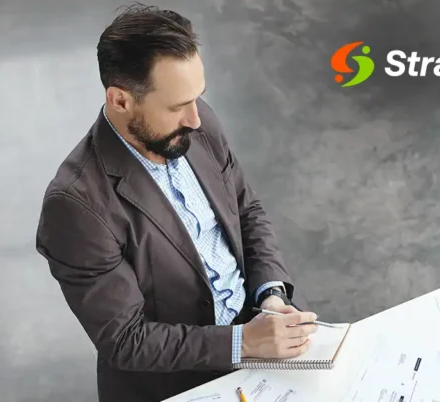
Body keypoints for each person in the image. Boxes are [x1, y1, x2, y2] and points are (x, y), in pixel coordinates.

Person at [35, 4, 319, 401]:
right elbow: (126, 340)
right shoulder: (75, 206)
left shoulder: (194, 118)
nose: (196, 119)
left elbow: (247, 211)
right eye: (175, 107)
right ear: (120, 101)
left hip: (269, 338)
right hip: (182, 382)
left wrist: (270, 294)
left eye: (196, 98)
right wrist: (242, 343)